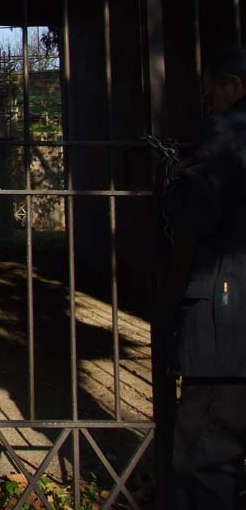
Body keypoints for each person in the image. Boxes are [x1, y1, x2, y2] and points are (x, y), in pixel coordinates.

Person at [165, 45, 246, 509]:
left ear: (232, 86)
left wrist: (177, 179)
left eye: (211, 94)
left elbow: (195, 210)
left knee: (205, 457)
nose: (209, 104)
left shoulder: (231, 130)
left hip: (228, 321)